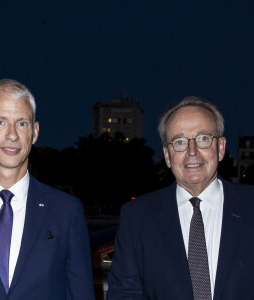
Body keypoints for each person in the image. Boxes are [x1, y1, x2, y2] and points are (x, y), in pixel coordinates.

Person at [0, 79, 95, 300]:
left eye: (22, 123)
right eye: (0, 122)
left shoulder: (66, 212)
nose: (12, 135)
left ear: (35, 132)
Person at [107, 96, 254, 300]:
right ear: (167, 155)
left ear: (220, 148)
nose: (192, 152)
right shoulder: (137, 217)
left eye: (203, 138)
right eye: (180, 142)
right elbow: (124, 294)